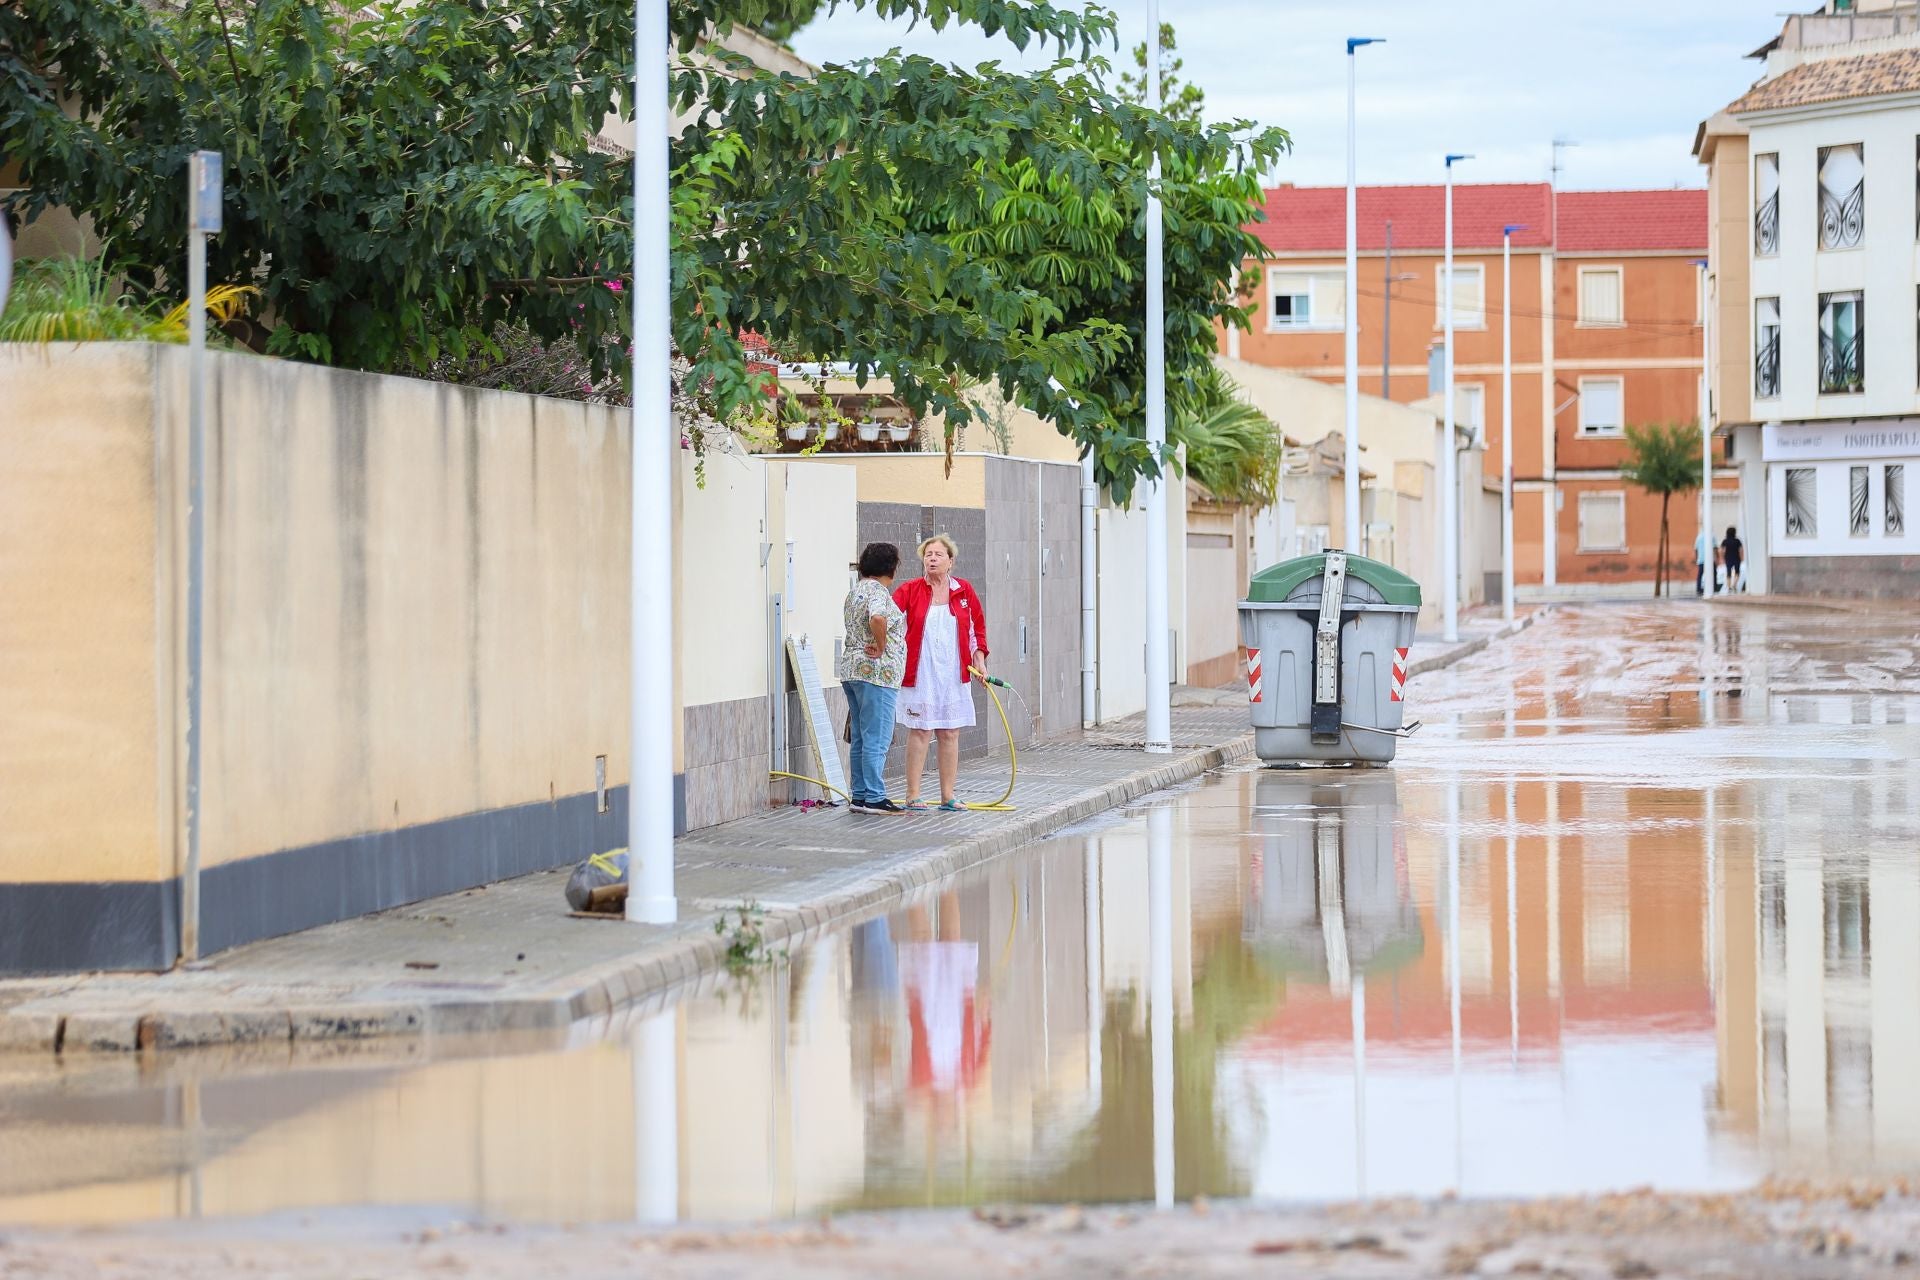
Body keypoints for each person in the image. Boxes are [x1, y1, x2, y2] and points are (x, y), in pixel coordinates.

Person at [893, 533, 990, 813]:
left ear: (951, 561)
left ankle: (948, 795)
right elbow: (890, 623)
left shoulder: (964, 591)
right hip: (920, 673)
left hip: (952, 673)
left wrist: (980, 660)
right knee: (920, 731)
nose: (932, 559)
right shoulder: (910, 590)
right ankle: (913, 795)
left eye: (938, 555)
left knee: (949, 732)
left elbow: (976, 630)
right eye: (928, 554)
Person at [838, 542, 911, 815]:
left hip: (853, 671)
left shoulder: (855, 591)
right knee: (876, 737)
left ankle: (859, 795)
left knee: (859, 735)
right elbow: (878, 618)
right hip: (877, 674)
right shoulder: (878, 592)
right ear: (890, 569)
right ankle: (875, 796)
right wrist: (881, 647)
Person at [1721, 526, 1745, 594]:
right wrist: (1742, 557)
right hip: (1736, 557)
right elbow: (1741, 550)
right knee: (1737, 572)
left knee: (1728, 572)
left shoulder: (1725, 541)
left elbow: (1722, 550)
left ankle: (1729, 587)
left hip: (1728, 558)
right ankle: (1734, 584)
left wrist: (1723, 557)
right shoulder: (1737, 540)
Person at [1694, 527, 1711, 597]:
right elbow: (1714, 548)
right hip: (1709, 559)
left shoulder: (1699, 537)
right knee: (1712, 574)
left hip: (1701, 559)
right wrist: (1717, 558)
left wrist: (1697, 558)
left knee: (1700, 575)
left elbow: (1695, 549)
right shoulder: (1711, 536)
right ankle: (1713, 588)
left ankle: (1698, 589)